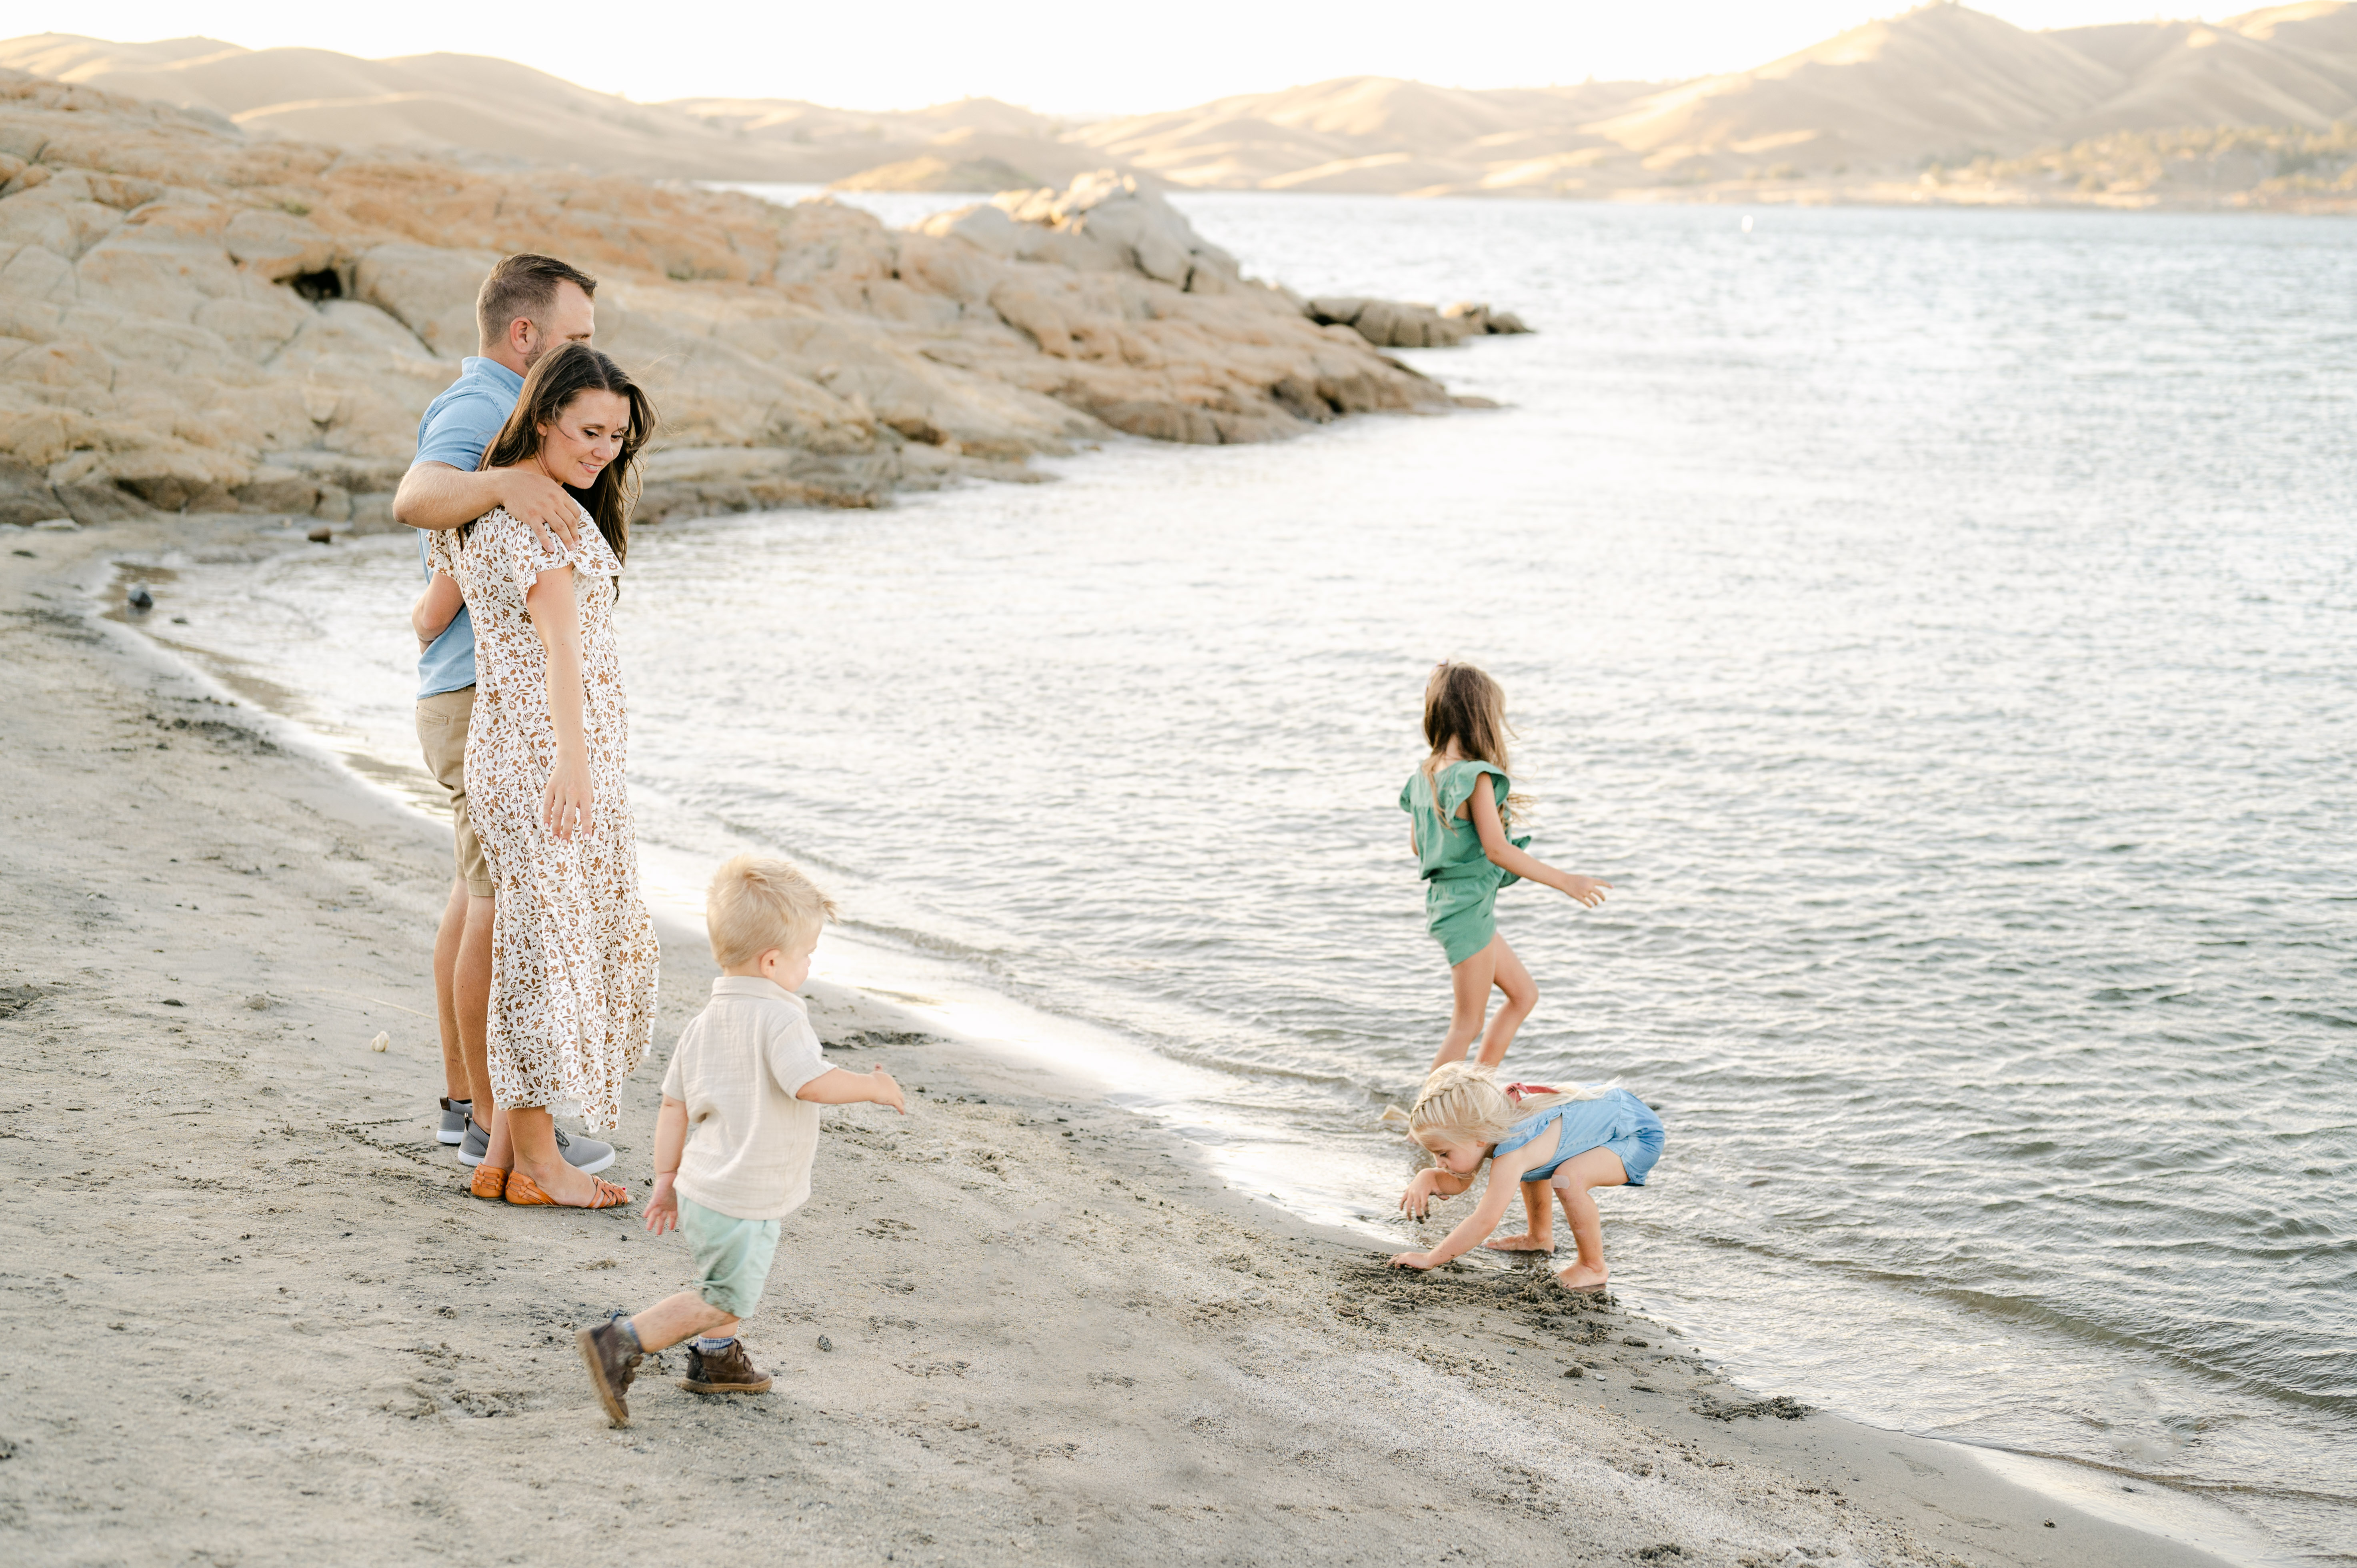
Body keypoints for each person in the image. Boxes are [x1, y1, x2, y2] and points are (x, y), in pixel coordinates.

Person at [422, 341, 660, 1208]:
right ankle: (539, 1162)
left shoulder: (486, 505)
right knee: (540, 957)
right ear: (547, 414)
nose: (602, 450)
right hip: (544, 761)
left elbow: (427, 618)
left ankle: (501, 1160)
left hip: (501, 747)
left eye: (616, 437)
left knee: (529, 945)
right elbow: (562, 647)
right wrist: (573, 759)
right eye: (590, 430)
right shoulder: (544, 517)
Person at [400, 252, 615, 1180]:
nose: (584, 362)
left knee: (475, 894)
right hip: (482, 699)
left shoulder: (505, 421)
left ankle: (467, 1104)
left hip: (464, 691)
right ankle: (494, 1119)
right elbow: (415, 499)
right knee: (497, 903)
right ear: (525, 336)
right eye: (575, 341)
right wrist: (503, 486)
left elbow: (432, 598)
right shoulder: (486, 408)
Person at [575, 855, 907, 1426]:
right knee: (723, 1296)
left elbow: (674, 1106)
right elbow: (810, 1082)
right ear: (773, 961)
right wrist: (871, 1087)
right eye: (807, 955)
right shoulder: (781, 1020)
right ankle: (620, 1342)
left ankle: (717, 1360)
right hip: (742, 1193)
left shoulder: (705, 1021)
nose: (809, 964)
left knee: (725, 1280)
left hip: (705, 1185)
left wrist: (665, 1181)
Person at [1401, 662, 1611, 1074]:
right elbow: (1498, 850)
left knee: (1524, 994)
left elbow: (1417, 845)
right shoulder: (1477, 776)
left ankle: (1477, 1088)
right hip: (1466, 913)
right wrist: (1566, 881)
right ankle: (1425, 1120)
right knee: (1467, 1024)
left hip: (1455, 907)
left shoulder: (1425, 774)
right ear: (1481, 717)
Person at [1385, 1062, 1664, 1293]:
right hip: (1610, 1115)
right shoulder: (1488, 1132)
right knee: (1537, 1163)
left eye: (1443, 1154)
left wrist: (1430, 1259)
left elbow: (1484, 1221)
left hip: (1634, 1133)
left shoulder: (1509, 1153)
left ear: (1479, 1138)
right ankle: (1539, 1237)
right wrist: (1428, 1177)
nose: (1439, 1162)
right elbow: (1460, 1181)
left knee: (1568, 1177)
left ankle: (1593, 1266)